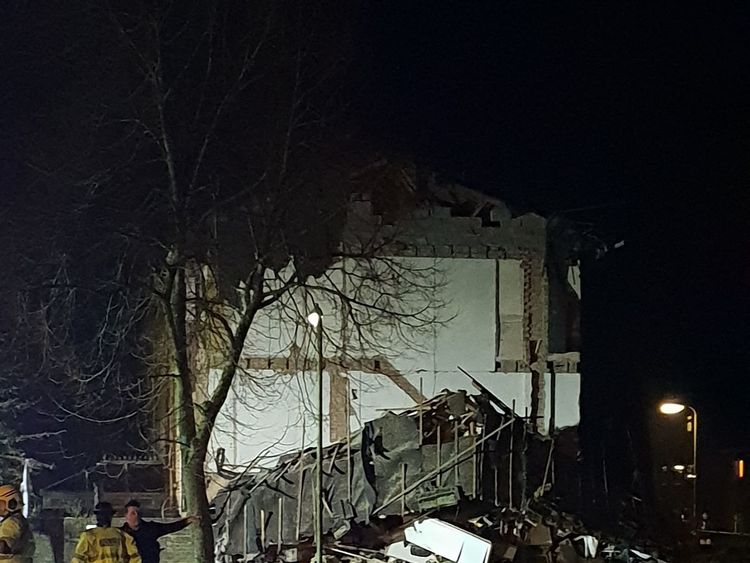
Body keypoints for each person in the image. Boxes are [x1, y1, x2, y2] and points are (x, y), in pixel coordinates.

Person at [121, 499, 199, 563]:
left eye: (138, 513)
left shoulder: (150, 528)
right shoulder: (121, 533)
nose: (137, 516)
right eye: (133, 513)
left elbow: (170, 527)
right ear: (126, 516)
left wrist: (188, 520)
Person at [72, 502, 141, 563]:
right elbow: (135, 558)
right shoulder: (122, 535)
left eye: (106, 514)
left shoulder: (89, 536)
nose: (104, 516)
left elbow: (78, 559)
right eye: (103, 514)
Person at [0, 484, 34, 563]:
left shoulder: (12, 522)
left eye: (1, 504)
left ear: (12, 504)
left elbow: (4, 545)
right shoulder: (15, 521)